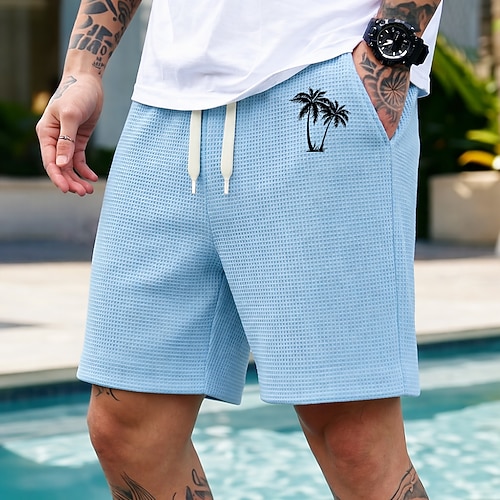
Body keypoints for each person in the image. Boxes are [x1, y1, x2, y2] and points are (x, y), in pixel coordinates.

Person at [36, 0, 443, 498]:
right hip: (164, 103)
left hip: (321, 82)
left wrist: (387, 53)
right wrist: (82, 68)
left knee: (354, 439)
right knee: (126, 430)